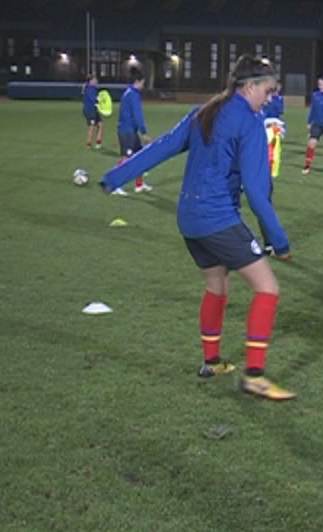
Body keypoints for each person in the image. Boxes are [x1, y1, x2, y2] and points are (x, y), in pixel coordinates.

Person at [100, 55, 296, 401]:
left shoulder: (205, 112)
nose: (269, 99)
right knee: (267, 288)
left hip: (189, 220)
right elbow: (256, 189)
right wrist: (278, 241)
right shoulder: (249, 122)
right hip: (217, 218)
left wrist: (116, 175)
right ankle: (255, 376)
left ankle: (211, 361)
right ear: (249, 87)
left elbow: (161, 148)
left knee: (217, 287)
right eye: (267, 91)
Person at [113, 67, 152, 196]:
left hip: (129, 130)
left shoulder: (128, 93)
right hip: (128, 131)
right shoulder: (133, 95)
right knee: (126, 158)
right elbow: (138, 115)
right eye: (143, 83)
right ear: (138, 81)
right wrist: (144, 132)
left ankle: (139, 185)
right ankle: (115, 185)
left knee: (139, 156)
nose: (143, 86)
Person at [82, 74, 103, 149]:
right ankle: (88, 143)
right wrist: (101, 100)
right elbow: (94, 99)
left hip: (94, 110)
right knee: (92, 127)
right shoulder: (90, 89)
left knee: (100, 125)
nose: (96, 81)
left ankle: (98, 142)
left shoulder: (92, 88)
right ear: (91, 81)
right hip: (90, 110)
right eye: (95, 80)